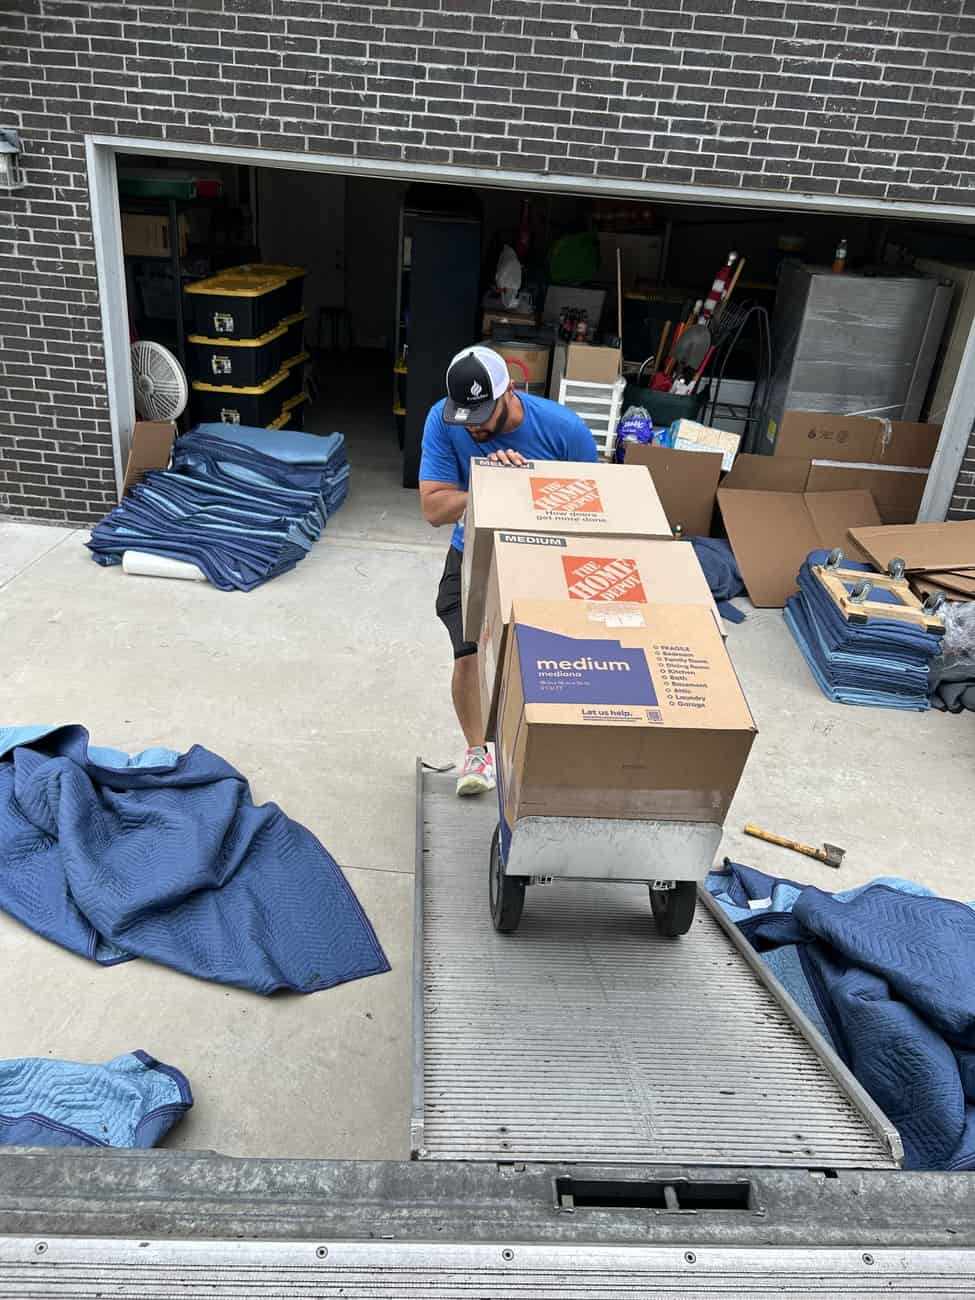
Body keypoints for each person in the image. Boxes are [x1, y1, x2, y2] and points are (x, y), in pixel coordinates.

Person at [419, 344, 599, 797]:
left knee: (545, 660)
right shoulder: (441, 420)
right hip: (474, 549)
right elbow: (434, 508)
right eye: (466, 415)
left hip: (545, 553)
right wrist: (487, 482)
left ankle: (541, 754)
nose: (474, 426)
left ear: (510, 393)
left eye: (482, 414)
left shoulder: (564, 430)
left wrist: (530, 482)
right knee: (468, 654)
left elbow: (595, 508)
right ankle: (479, 752)